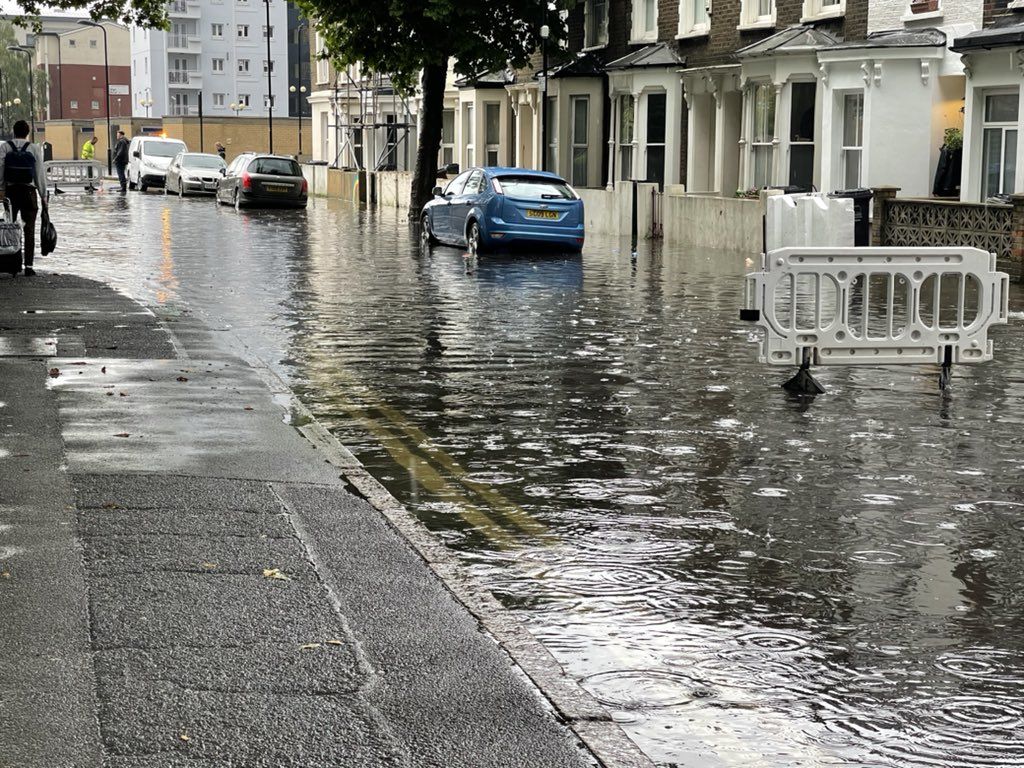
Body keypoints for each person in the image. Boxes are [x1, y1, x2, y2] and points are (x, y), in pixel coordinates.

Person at [0, 120, 48, 277]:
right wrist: (43, 195)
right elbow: (39, 173)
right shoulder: (34, 148)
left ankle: (12, 263)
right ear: (27, 132)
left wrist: (1, 189)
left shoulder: (5, 147)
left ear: (14, 131)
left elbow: (0, 169)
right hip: (29, 193)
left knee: (9, 228)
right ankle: (28, 266)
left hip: (11, 193)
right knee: (29, 228)